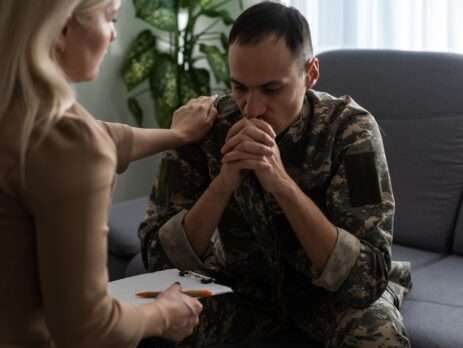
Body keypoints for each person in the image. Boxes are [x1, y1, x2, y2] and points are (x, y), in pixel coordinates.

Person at [139, 2, 412, 348]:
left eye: (271, 90)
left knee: (379, 338)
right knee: (150, 321)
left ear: (311, 74)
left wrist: (282, 185)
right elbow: (157, 258)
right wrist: (224, 183)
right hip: (241, 289)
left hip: (329, 299)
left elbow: (367, 277)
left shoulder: (350, 131)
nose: (252, 108)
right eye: (239, 87)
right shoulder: (205, 126)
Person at [0, 0, 219, 347]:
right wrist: (163, 314)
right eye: (110, 18)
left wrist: (176, 136)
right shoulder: (69, 141)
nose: (115, 34)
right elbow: (86, 330)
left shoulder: (19, 112)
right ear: (62, 28)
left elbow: (104, 136)